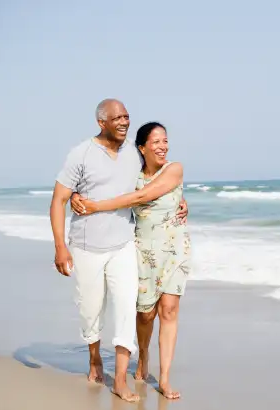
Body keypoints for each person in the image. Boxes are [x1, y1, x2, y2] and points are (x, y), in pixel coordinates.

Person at [49, 100, 188, 403]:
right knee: (95, 310)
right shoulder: (88, 155)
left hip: (135, 246)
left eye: (127, 116)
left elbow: (148, 190)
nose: (124, 122)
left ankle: (127, 379)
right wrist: (61, 242)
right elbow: (62, 196)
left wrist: (182, 200)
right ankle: (97, 359)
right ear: (102, 122)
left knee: (132, 309)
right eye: (118, 118)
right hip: (104, 247)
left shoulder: (147, 161)